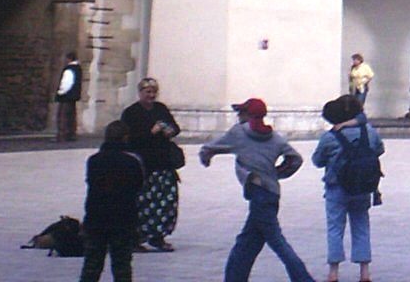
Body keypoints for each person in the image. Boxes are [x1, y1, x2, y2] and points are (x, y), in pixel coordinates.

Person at [199, 97, 316, 282]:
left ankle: (304, 279)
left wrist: (206, 156)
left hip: (257, 193)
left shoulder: (239, 133)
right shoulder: (275, 138)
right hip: (271, 193)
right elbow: (295, 159)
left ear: (247, 115)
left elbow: (210, 148)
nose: (238, 116)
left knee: (277, 242)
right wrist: (277, 173)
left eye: (241, 113)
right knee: (246, 243)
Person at [313, 94, 385, 282]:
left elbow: (317, 160)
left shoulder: (330, 136)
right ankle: (364, 272)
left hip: (336, 187)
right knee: (361, 225)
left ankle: (333, 272)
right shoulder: (369, 131)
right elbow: (379, 149)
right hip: (363, 186)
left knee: (335, 228)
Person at [78, 120, 144, 282]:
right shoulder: (132, 161)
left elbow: (92, 183)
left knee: (91, 265)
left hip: (96, 217)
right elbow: (139, 185)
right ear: (125, 138)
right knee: (122, 266)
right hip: (123, 218)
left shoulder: (94, 160)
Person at [120, 77, 181, 251]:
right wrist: (150, 132)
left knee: (165, 202)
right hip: (143, 165)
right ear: (140, 93)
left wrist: (170, 130)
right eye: (148, 92)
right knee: (143, 202)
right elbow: (129, 138)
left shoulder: (161, 109)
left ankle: (158, 236)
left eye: (154, 92)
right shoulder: (131, 113)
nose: (151, 95)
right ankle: (136, 238)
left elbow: (175, 128)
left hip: (163, 163)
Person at [57, 51, 84, 142]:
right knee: (72, 116)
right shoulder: (78, 69)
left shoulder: (69, 69)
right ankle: (71, 134)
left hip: (66, 96)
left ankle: (63, 134)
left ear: (69, 59)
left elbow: (66, 83)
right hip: (73, 96)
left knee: (63, 116)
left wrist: (60, 92)